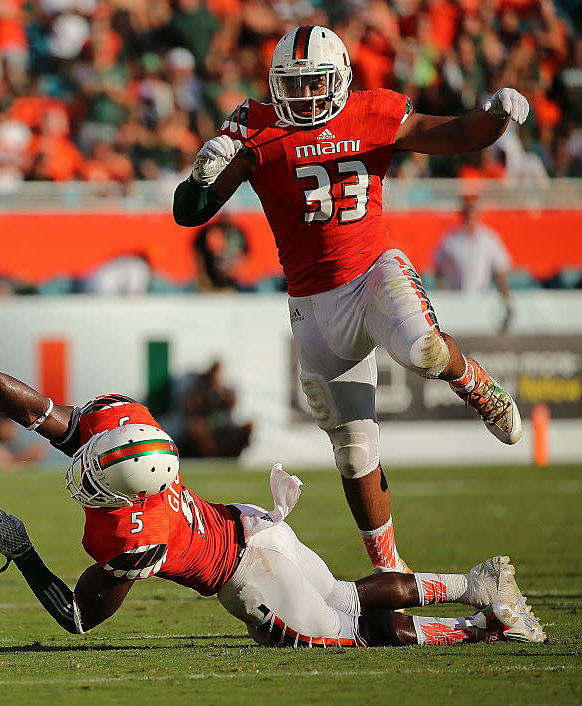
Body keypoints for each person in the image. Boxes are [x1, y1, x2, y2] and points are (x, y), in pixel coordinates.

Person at [172, 25, 529, 574]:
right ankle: (390, 569)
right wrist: (202, 174)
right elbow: (189, 212)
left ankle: (475, 384)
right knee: (354, 448)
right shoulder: (254, 128)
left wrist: (496, 117)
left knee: (423, 349)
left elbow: (455, 134)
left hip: (372, 271)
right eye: (292, 86)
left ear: (338, 79)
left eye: (315, 83)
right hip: (312, 301)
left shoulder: (372, 112)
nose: (304, 97)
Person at [0, 345, 545, 647]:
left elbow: (77, 617)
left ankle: (479, 623)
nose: (82, 472)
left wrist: (21, 551)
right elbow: (42, 414)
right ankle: (476, 587)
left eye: (94, 475)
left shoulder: (129, 535)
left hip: (245, 574)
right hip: (255, 523)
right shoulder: (127, 433)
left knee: (347, 627)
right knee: (342, 595)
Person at [434, 197, 513, 332]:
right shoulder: (450, 239)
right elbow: (438, 269)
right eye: (467, 212)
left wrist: (506, 301)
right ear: (462, 214)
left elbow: (500, 271)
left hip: (483, 302)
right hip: (457, 303)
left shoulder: (489, 238)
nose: (470, 216)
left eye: (473, 211)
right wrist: (444, 299)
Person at [179, 360, 253, 459]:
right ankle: (211, 457)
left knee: (249, 425)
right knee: (195, 427)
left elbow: (233, 402)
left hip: (226, 429)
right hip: (207, 429)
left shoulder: (227, 390)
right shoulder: (200, 389)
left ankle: (230, 455)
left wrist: (220, 392)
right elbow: (188, 405)